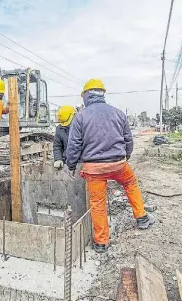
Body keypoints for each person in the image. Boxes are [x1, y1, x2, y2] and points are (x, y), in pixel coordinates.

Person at [65, 79, 156, 253]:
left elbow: (74, 145)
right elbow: (128, 139)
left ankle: (101, 242)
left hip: (94, 169)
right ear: (102, 94)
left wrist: (71, 165)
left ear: (86, 96)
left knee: (98, 203)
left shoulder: (80, 117)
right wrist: (125, 156)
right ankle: (142, 218)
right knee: (130, 184)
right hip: (118, 164)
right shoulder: (118, 113)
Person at [53, 105, 76, 170]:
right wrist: (58, 159)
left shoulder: (81, 128)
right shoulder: (59, 129)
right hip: (67, 162)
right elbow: (57, 146)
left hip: (81, 162)